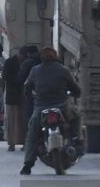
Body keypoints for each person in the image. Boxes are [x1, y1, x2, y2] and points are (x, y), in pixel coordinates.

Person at [19, 47, 81, 175]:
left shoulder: (35, 70)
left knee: (32, 133)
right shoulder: (63, 70)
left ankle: (28, 165)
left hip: (41, 107)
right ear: (55, 56)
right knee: (76, 116)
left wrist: (31, 96)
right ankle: (76, 138)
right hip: (62, 106)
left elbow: (27, 87)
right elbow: (74, 87)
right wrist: (76, 93)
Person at [1, 48, 25, 151]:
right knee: (11, 119)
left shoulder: (26, 62)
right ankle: (11, 143)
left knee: (23, 120)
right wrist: (17, 80)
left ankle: (24, 142)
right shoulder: (10, 62)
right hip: (12, 94)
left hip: (24, 95)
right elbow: (5, 76)